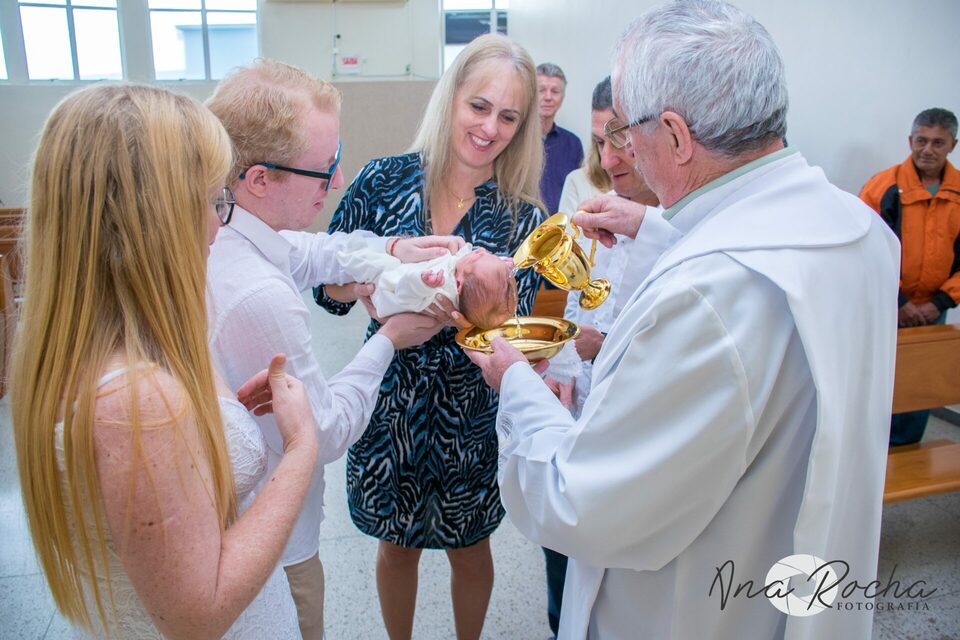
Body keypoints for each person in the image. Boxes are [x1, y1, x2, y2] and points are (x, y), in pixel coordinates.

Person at [467, 2, 900, 638]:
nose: (623, 154)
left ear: (674, 133)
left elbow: (583, 502)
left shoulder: (707, 295)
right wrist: (648, 225)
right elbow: (751, 257)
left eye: (626, 134)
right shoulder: (857, 230)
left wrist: (514, 380)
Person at [11, 84, 317, 638]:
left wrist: (208, 426)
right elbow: (198, 613)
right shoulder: (133, 401)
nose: (216, 225)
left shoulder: (107, 349)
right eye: (208, 201)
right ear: (150, 219)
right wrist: (300, 450)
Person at [205, 59, 460, 639]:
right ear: (259, 179)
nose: (339, 181)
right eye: (324, 171)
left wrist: (395, 251)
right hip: (275, 549)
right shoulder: (258, 296)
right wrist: (392, 339)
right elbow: (320, 433)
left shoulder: (239, 233)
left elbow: (318, 252)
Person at [314, 33, 544, 640]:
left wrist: (483, 308)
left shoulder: (524, 218)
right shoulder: (382, 182)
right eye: (479, 106)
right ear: (451, 98)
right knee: (396, 547)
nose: (489, 127)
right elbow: (324, 286)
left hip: (470, 413)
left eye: (507, 116)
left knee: (471, 547)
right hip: (386, 398)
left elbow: (527, 333)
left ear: (521, 128)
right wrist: (362, 286)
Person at [540, 75, 682, 638]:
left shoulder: (690, 233)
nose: (608, 157)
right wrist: (554, 360)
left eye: (618, 139)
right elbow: (555, 297)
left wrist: (605, 345)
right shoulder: (596, 211)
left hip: (641, 445)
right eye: (599, 140)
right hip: (576, 416)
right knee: (562, 552)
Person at [860, 107, 960, 446]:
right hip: (889, 305)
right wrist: (899, 300)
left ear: (952, 145)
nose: (927, 149)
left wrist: (941, 301)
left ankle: (908, 448)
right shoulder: (882, 187)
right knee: (879, 379)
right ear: (910, 141)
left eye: (937, 142)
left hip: (934, 308)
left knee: (921, 380)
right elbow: (864, 250)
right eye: (921, 140)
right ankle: (870, 449)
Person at [337, 241, 518, 329]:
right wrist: (502, 265)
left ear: (457, 284)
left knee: (376, 264)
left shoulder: (440, 290)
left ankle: (344, 257)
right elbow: (486, 274)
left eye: (479, 257)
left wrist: (422, 282)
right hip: (402, 274)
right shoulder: (469, 279)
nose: (481, 251)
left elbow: (405, 292)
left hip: (388, 292)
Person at [538, 63, 585, 215]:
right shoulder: (514, 139)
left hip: (561, 231)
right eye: (541, 90)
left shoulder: (573, 144)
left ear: (562, 98)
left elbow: (579, 189)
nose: (548, 97)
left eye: (555, 91)